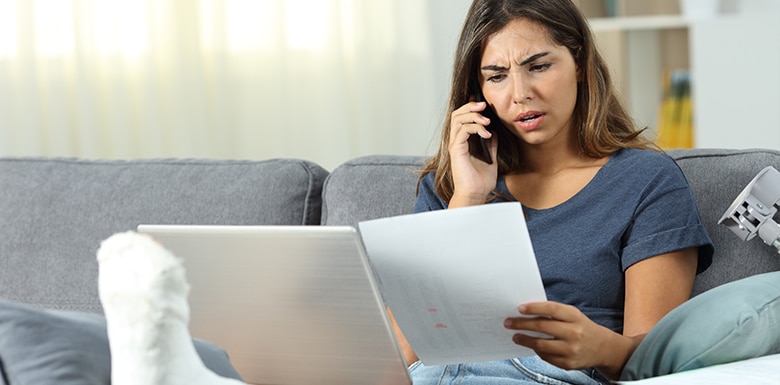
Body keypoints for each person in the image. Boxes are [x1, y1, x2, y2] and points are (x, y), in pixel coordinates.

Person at [392, 0, 715, 383]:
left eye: (539, 67)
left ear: (579, 62)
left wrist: (597, 345)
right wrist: (467, 201)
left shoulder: (647, 181)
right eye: (497, 76)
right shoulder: (448, 186)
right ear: (477, 91)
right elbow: (400, 356)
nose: (520, 93)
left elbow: (658, 363)